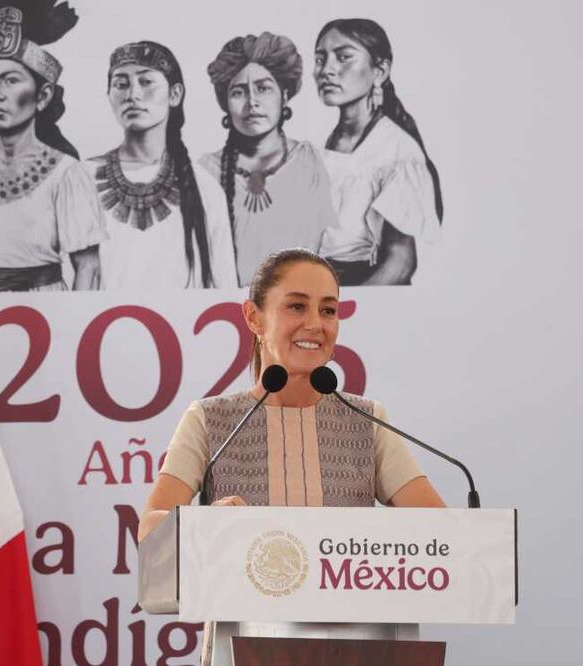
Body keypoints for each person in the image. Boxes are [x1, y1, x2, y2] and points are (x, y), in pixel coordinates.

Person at [139, 247, 445, 666]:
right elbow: (150, 529)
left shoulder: (367, 420)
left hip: (362, 651)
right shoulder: (210, 420)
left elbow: (440, 534)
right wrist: (203, 525)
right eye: (297, 306)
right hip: (243, 650)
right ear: (253, 318)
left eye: (329, 310)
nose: (316, 324)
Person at [0, 1, 106, 291]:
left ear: (42, 96)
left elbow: (88, 268)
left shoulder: (66, 174)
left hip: (44, 317)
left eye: (10, 80)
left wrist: (72, 329)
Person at [86, 41, 237, 289]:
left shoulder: (205, 187)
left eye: (146, 82)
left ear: (175, 94)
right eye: (121, 84)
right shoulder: (83, 179)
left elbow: (224, 289)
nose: (132, 95)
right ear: (109, 96)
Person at [200, 33, 339, 287]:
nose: (252, 102)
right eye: (239, 92)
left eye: (263, 89)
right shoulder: (205, 173)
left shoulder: (315, 163)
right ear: (225, 103)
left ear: (284, 95)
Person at [314, 19, 443, 286]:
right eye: (320, 59)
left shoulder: (397, 151)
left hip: (361, 292)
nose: (327, 70)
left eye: (344, 57)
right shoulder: (320, 145)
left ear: (380, 71)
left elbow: (400, 264)